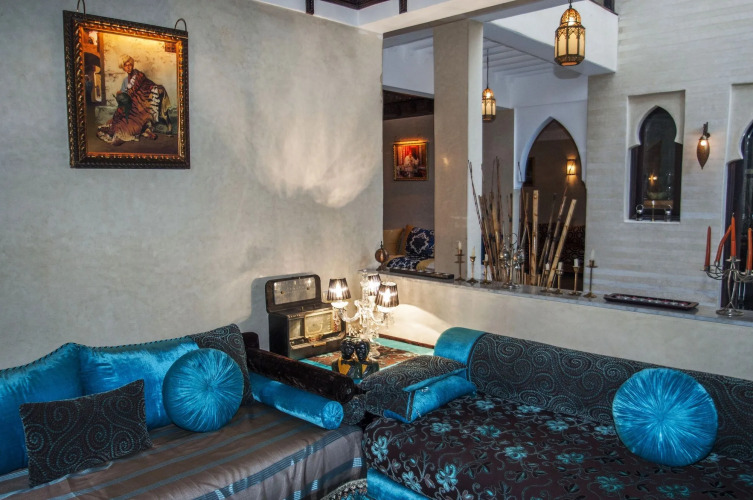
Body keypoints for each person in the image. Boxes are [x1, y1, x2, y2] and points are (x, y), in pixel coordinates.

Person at [97, 54, 172, 146]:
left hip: (141, 106)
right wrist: (119, 94)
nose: (128, 67)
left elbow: (147, 85)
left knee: (129, 126)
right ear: (123, 67)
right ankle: (140, 131)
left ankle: (134, 131)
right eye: (126, 65)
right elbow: (124, 95)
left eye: (130, 65)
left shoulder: (139, 76)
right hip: (130, 107)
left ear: (132, 65)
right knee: (116, 122)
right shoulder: (125, 80)